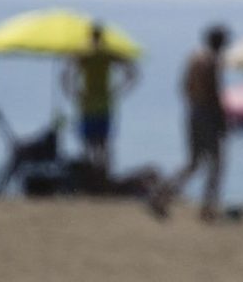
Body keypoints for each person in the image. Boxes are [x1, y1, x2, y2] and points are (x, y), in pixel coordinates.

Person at [152, 24, 230, 222]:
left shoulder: (194, 59)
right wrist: (221, 121)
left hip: (193, 112)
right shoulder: (211, 61)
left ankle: (162, 196)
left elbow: (184, 88)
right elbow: (214, 94)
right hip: (206, 114)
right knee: (216, 164)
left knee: (194, 163)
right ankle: (208, 208)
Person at [63, 22, 136, 177]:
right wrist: (119, 90)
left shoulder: (85, 53)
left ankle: (92, 176)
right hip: (103, 103)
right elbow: (131, 71)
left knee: (89, 143)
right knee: (103, 144)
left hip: (88, 103)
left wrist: (73, 91)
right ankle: (103, 176)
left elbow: (67, 73)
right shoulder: (106, 53)